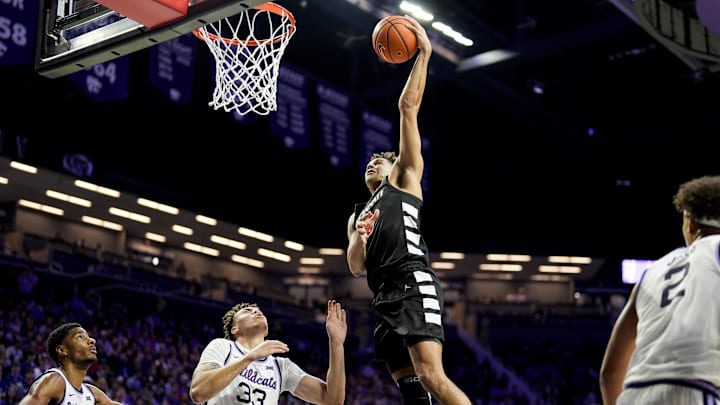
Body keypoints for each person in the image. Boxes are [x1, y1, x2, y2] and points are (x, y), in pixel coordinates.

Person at [345, 15, 472, 405]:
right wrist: (359, 236)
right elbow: (355, 265)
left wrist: (424, 55)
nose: (372, 163)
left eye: (378, 160)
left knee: (432, 376)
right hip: (383, 295)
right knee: (413, 392)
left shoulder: (403, 178)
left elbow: (408, 106)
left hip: (411, 281)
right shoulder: (358, 212)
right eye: (368, 162)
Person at [600, 175, 720, 404]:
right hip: (694, 391)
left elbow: (611, 372)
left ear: (690, 224)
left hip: (633, 394)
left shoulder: (652, 272)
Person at [189, 299, 347, 405]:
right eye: (248, 311)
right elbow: (198, 392)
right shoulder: (223, 347)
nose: (256, 312)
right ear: (235, 329)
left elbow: (333, 400)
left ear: (266, 331)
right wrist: (249, 358)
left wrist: (336, 344)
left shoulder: (281, 367)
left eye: (259, 311)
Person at [19, 322, 122, 405]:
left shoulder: (91, 393)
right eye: (80, 337)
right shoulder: (54, 381)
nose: (92, 340)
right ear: (62, 350)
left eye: (89, 337)